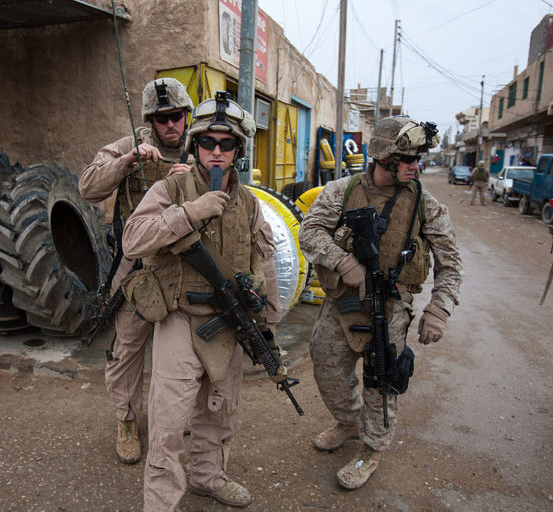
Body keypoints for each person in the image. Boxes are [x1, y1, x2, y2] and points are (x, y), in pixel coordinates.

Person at [121, 92, 281, 510]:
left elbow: (264, 264)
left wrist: (269, 324)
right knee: (169, 423)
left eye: (226, 144)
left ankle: (208, 477)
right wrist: (189, 212)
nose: (216, 151)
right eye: (207, 142)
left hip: (229, 321)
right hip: (179, 317)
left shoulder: (248, 203)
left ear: (237, 152)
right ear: (194, 145)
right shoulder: (171, 187)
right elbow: (133, 239)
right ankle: (160, 503)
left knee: (220, 412)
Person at [298, 116, 462, 490]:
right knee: (325, 363)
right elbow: (309, 231)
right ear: (384, 158)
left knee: (382, 378)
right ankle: (348, 420)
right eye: (407, 159)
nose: (415, 166)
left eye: (417, 158)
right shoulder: (343, 189)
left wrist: (439, 308)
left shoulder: (425, 205)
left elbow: (451, 264)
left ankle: (373, 448)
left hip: (391, 306)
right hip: (343, 301)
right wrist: (343, 262)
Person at [79, 78, 193, 465]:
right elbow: (87, 187)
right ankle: (126, 420)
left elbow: (230, 195)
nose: (170, 125)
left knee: (185, 347)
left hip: (186, 263)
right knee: (127, 345)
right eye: (161, 118)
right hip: (137, 266)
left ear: (186, 115)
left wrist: (190, 175)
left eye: (176, 116)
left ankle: (178, 415)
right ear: (150, 120)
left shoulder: (203, 145)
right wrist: (126, 162)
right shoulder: (131, 144)